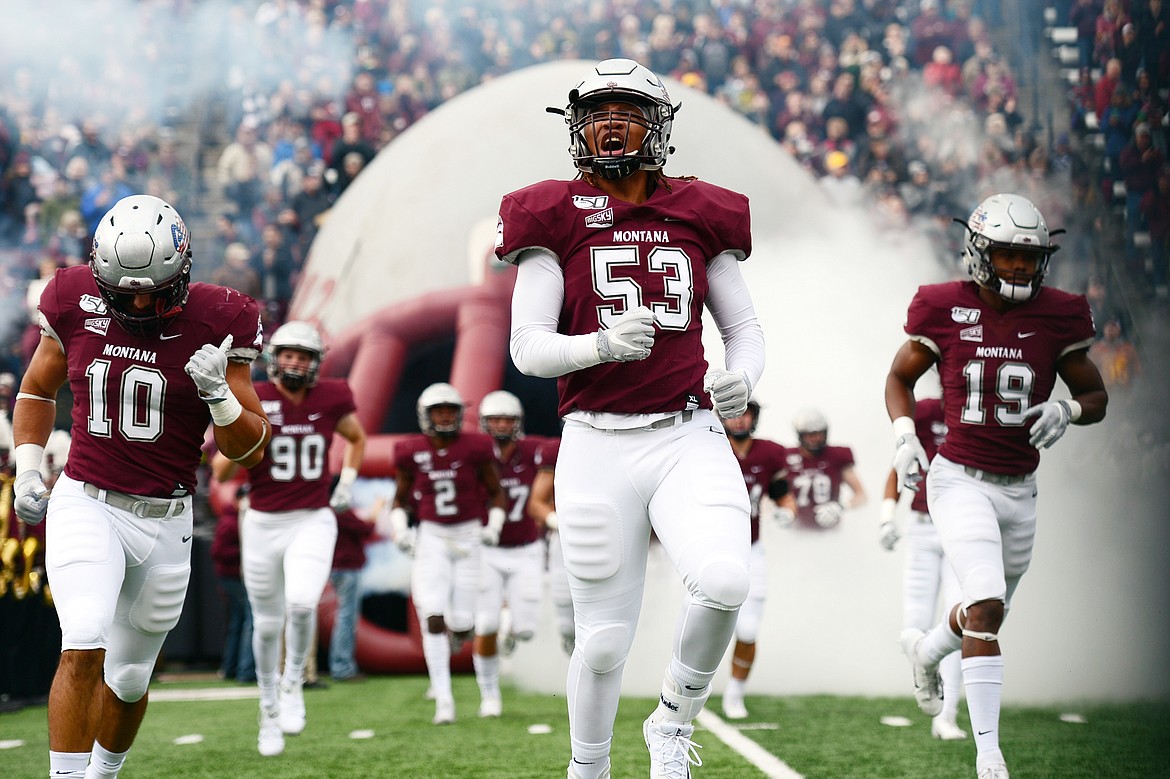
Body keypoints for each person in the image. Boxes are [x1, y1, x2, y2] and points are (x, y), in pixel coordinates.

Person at [500, 58, 765, 779]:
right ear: (578, 127)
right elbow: (527, 347)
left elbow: (744, 329)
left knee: (725, 579)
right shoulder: (550, 210)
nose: (613, 123)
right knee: (605, 640)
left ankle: (672, 720)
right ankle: (588, 767)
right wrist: (599, 345)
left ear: (659, 126)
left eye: (629, 110)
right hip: (594, 439)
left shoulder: (701, 209)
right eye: (600, 111)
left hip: (687, 431)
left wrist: (741, 377)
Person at [11, 194, 270, 779]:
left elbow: (252, 451)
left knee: (128, 679)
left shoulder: (223, 316)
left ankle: (104, 773)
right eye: (124, 292)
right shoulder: (71, 298)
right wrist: (29, 466)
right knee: (82, 636)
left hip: (166, 519)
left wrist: (221, 398)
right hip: (87, 499)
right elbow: (34, 391)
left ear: (183, 269)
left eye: (154, 290)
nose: (141, 303)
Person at [885, 193, 1108, 779]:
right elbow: (900, 376)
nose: (1018, 268)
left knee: (990, 613)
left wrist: (1070, 411)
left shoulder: (1060, 314)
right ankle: (990, 759)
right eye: (1007, 255)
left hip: (1020, 489)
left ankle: (931, 649)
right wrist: (905, 434)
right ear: (980, 252)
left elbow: (1096, 395)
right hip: (958, 479)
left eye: (1028, 258)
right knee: (985, 605)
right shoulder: (941, 305)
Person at [211, 320, 366, 757]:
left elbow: (356, 437)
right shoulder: (254, 394)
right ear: (274, 359)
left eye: (304, 356)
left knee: (302, 603)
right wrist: (231, 424)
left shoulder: (334, 396)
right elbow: (223, 469)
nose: (295, 362)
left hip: (313, 518)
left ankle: (293, 683)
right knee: (266, 623)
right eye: (289, 354)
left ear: (316, 363)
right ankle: (268, 709)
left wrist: (347, 480)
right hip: (261, 521)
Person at [387, 382, 506, 725]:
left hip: (469, 536)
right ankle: (444, 699)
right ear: (425, 415)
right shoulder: (410, 450)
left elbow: (496, 493)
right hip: (433, 537)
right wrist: (401, 528)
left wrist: (493, 526)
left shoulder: (476, 447)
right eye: (438, 411)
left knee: (463, 622)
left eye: (450, 411)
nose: (444, 417)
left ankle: (461, 637)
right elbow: (400, 499)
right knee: (434, 617)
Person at [877, 396, 966, 741]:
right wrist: (886, 518)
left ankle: (947, 715)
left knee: (960, 619)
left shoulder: (981, 412)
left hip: (962, 527)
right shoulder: (927, 411)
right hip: (923, 523)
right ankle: (927, 669)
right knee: (914, 624)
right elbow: (898, 466)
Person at [471, 390, 546, 718]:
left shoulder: (533, 451)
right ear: (483, 423)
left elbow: (566, 447)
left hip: (526, 548)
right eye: (495, 420)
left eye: (507, 419)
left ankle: (511, 624)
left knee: (527, 629)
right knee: (484, 623)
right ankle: (489, 693)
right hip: (485, 550)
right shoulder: (472, 454)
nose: (501, 425)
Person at [717, 400, 789, 721]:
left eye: (745, 411)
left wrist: (788, 511)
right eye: (732, 411)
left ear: (755, 417)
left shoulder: (769, 453)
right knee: (705, 626)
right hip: (712, 550)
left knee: (747, 629)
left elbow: (782, 493)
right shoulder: (710, 448)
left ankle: (735, 693)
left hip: (752, 548)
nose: (738, 418)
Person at [527, 437, 575, 657]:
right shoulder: (559, 450)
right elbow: (536, 503)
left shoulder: (619, 446)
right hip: (565, 538)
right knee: (567, 626)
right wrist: (558, 523)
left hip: (609, 532)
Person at [783, 409, 868, 530]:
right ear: (800, 435)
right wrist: (779, 513)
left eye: (819, 433)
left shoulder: (838, 456)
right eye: (810, 434)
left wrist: (840, 507)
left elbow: (862, 496)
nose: (815, 438)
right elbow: (771, 495)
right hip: (797, 531)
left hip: (831, 532)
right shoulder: (787, 457)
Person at [210, 482, 256, 685]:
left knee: (237, 624)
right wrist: (245, 551)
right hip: (233, 579)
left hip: (233, 578)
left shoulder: (236, 519)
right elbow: (217, 552)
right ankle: (245, 670)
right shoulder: (230, 522)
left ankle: (230, 668)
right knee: (249, 622)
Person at [328, 501, 375, 683]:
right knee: (346, 618)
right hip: (347, 569)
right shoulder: (340, 511)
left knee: (344, 618)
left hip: (337, 568)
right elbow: (365, 529)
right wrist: (376, 512)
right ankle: (342, 667)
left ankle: (341, 665)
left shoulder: (327, 511)